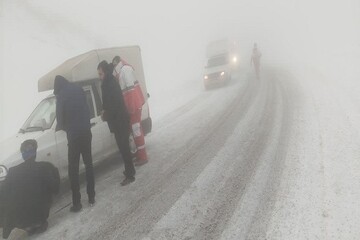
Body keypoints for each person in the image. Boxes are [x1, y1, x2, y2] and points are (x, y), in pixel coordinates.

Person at [1, 139, 60, 239]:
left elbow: (3, 194)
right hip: (39, 218)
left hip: (18, 222)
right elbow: (55, 189)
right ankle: (37, 222)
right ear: (35, 153)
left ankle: (26, 223)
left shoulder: (12, 171)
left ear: (22, 154)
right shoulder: (45, 167)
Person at [54, 75, 95, 212]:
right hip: (86, 132)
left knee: (74, 170)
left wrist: (66, 127)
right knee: (89, 164)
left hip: (74, 137)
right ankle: (91, 197)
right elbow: (87, 109)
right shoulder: (78, 89)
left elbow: (59, 120)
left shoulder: (61, 96)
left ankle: (77, 203)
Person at [97, 60, 136, 186]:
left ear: (106, 72)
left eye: (100, 73)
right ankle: (130, 170)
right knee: (122, 148)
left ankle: (130, 175)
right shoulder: (108, 82)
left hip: (120, 120)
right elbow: (108, 102)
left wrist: (106, 114)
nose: (99, 76)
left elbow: (114, 104)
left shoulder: (110, 83)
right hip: (117, 120)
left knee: (124, 148)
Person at [112, 56, 148, 166]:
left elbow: (130, 90)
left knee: (136, 131)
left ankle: (143, 157)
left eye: (114, 64)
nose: (113, 67)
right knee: (136, 131)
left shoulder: (124, 71)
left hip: (134, 107)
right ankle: (140, 154)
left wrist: (131, 108)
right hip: (135, 105)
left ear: (117, 63)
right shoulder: (124, 70)